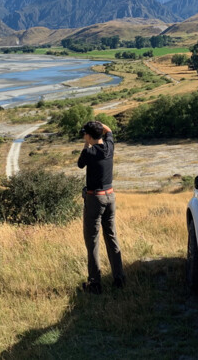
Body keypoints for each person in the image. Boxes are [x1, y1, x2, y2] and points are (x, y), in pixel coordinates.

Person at [77, 120, 125, 294]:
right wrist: (100, 126)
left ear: (89, 136)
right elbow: (109, 131)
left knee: (92, 240)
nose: (84, 136)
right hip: (110, 196)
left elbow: (80, 164)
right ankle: (119, 278)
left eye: (85, 134)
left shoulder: (89, 152)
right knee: (111, 236)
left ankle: (95, 283)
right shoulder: (109, 146)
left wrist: (86, 143)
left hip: (95, 199)